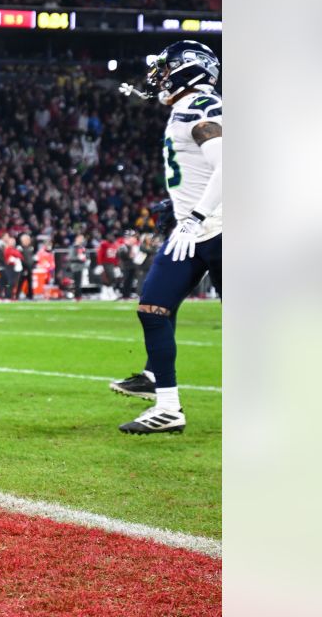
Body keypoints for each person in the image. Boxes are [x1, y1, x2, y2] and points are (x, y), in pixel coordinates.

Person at [112, 41, 223, 434]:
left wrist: (194, 215)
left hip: (220, 231)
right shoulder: (187, 107)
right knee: (153, 309)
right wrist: (179, 209)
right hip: (193, 232)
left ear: (188, 70)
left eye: (166, 67)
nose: (159, 75)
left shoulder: (200, 106)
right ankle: (167, 407)